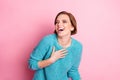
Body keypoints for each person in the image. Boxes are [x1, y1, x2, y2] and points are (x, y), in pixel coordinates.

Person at [28, 11, 83, 80]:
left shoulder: (77, 47)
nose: (59, 24)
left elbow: (73, 71)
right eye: (57, 22)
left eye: (64, 21)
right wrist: (51, 60)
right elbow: (32, 64)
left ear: (72, 27)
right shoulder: (47, 41)